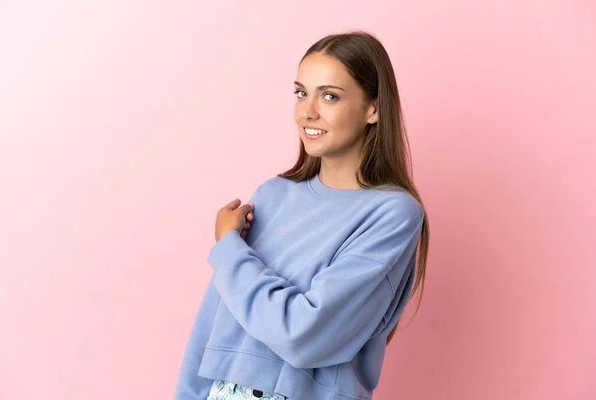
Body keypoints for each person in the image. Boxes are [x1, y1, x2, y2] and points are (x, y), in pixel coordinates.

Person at [174, 30, 430, 400]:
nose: (308, 111)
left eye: (329, 96)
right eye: (300, 93)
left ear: (373, 109)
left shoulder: (392, 214)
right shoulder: (272, 194)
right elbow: (214, 322)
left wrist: (229, 248)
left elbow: (304, 335)